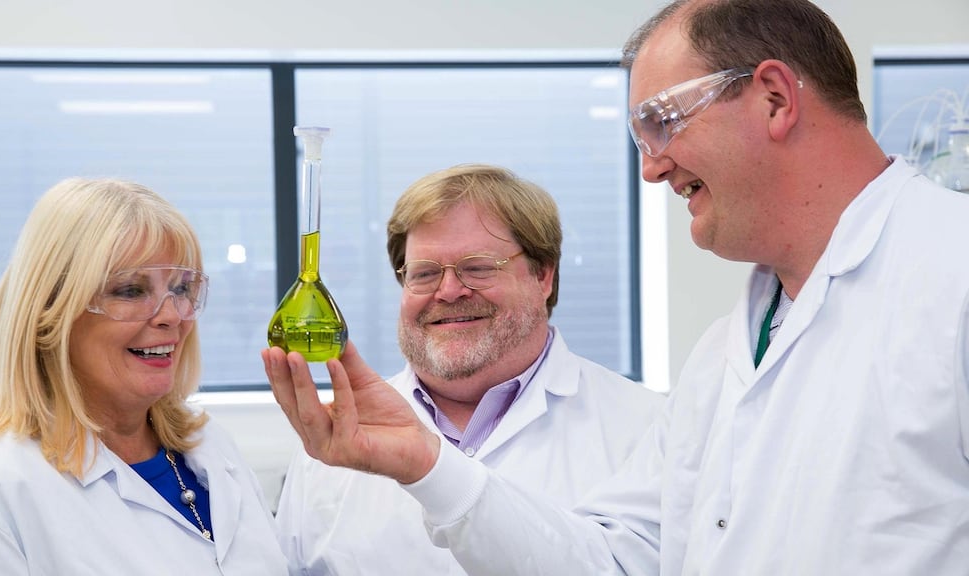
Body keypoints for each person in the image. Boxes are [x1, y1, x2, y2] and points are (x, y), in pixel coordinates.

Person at [263, 0, 969, 574]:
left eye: (662, 121)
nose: (652, 171)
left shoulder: (949, 276)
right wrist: (427, 466)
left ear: (775, 98)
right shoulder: (725, 355)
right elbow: (612, 563)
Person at [272, 164, 665, 574]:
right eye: (424, 273)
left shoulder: (646, 429)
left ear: (543, 276)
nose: (448, 291)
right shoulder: (331, 445)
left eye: (477, 267)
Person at [0, 178, 289, 574]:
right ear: (51, 313)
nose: (172, 315)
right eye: (129, 291)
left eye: (180, 288)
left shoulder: (210, 447)